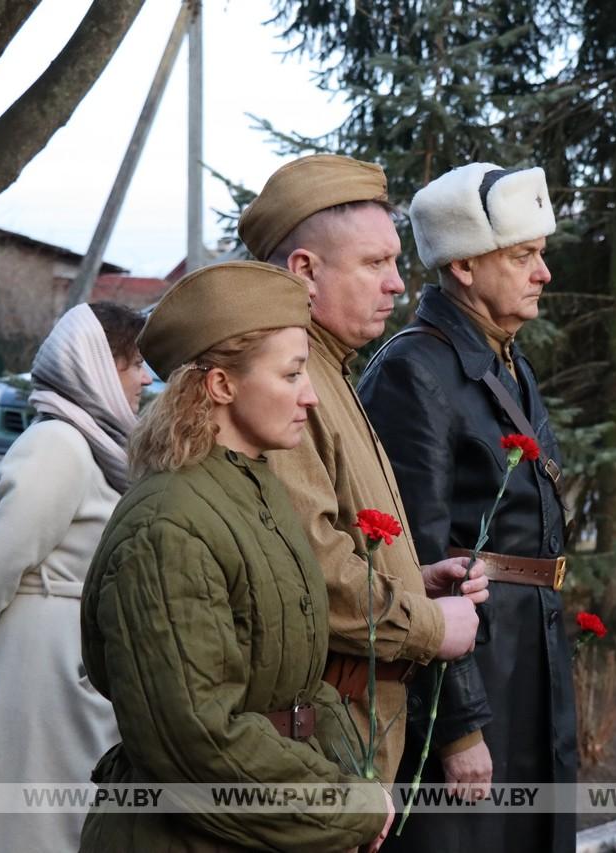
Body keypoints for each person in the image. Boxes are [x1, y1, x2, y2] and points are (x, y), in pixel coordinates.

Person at [78, 261, 393, 852]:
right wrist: (342, 805)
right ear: (221, 385)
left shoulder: (256, 491)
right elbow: (197, 741)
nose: (311, 395)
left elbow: (293, 688)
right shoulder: (168, 527)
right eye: (292, 374)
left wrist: (351, 774)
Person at [237, 154, 486, 783]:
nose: (398, 283)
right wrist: (429, 623)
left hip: (341, 724)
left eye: (395, 262)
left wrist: (415, 579)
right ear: (304, 272)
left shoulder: (329, 367)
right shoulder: (287, 382)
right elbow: (310, 568)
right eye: (375, 263)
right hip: (313, 734)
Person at [356, 162, 577, 851]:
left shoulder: (505, 358)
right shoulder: (414, 369)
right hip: (474, 662)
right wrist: (458, 724)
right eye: (522, 256)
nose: (542, 272)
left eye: (540, 253)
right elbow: (415, 561)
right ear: (463, 267)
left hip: (526, 649)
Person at [0, 301, 150, 853]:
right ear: (96, 367)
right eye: (133, 363)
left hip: (67, 661)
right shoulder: (58, 443)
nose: (146, 378)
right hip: (38, 667)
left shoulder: (96, 444)